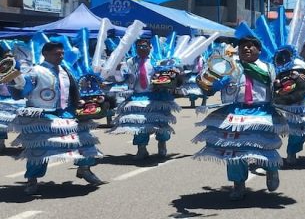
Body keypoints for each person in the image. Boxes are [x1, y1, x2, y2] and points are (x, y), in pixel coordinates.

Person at [194, 36, 287, 200]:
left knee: (265, 146)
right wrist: (205, 84)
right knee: (233, 150)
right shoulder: (229, 67)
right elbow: (212, 87)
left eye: (251, 46)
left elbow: (281, 88)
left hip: (262, 112)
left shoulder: (268, 68)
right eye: (243, 46)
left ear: (259, 50)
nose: (247, 49)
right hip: (236, 112)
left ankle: (271, 170)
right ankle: (238, 185)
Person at [9, 42, 104, 194]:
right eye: (56, 54)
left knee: (84, 142)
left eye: (61, 54)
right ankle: (32, 180)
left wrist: (78, 101)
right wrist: (15, 80)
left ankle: (84, 169)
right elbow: (23, 89)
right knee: (39, 149)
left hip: (66, 114)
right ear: (45, 54)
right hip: (43, 116)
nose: (60, 56)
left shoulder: (65, 70)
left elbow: (73, 89)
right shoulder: (35, 71)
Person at [109, 38, 178, 160]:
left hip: (156, 97)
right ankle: (142, 149)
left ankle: (162, 144)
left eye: (145, 46)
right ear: (136, 48)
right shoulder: (130, 62)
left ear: (150, 47)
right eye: (139, 46)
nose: (142, 48)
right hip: (138, 96)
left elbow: (169, 76)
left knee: (161, 123)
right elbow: (122, 78)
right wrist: (117, 69)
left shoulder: (157, 60)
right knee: (140, 125)